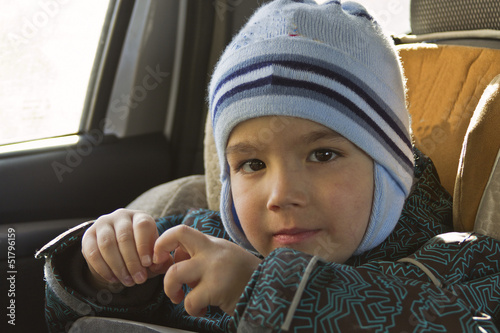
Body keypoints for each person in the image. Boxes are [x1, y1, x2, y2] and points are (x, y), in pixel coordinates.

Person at [37, 0, 500, 332]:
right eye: (252, 164)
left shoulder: (456, 262)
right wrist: (105, 272)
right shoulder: (194, 242)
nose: (281, 195)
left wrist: (262, 291)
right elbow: (57, 314)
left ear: (391, 168)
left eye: (322, 155)